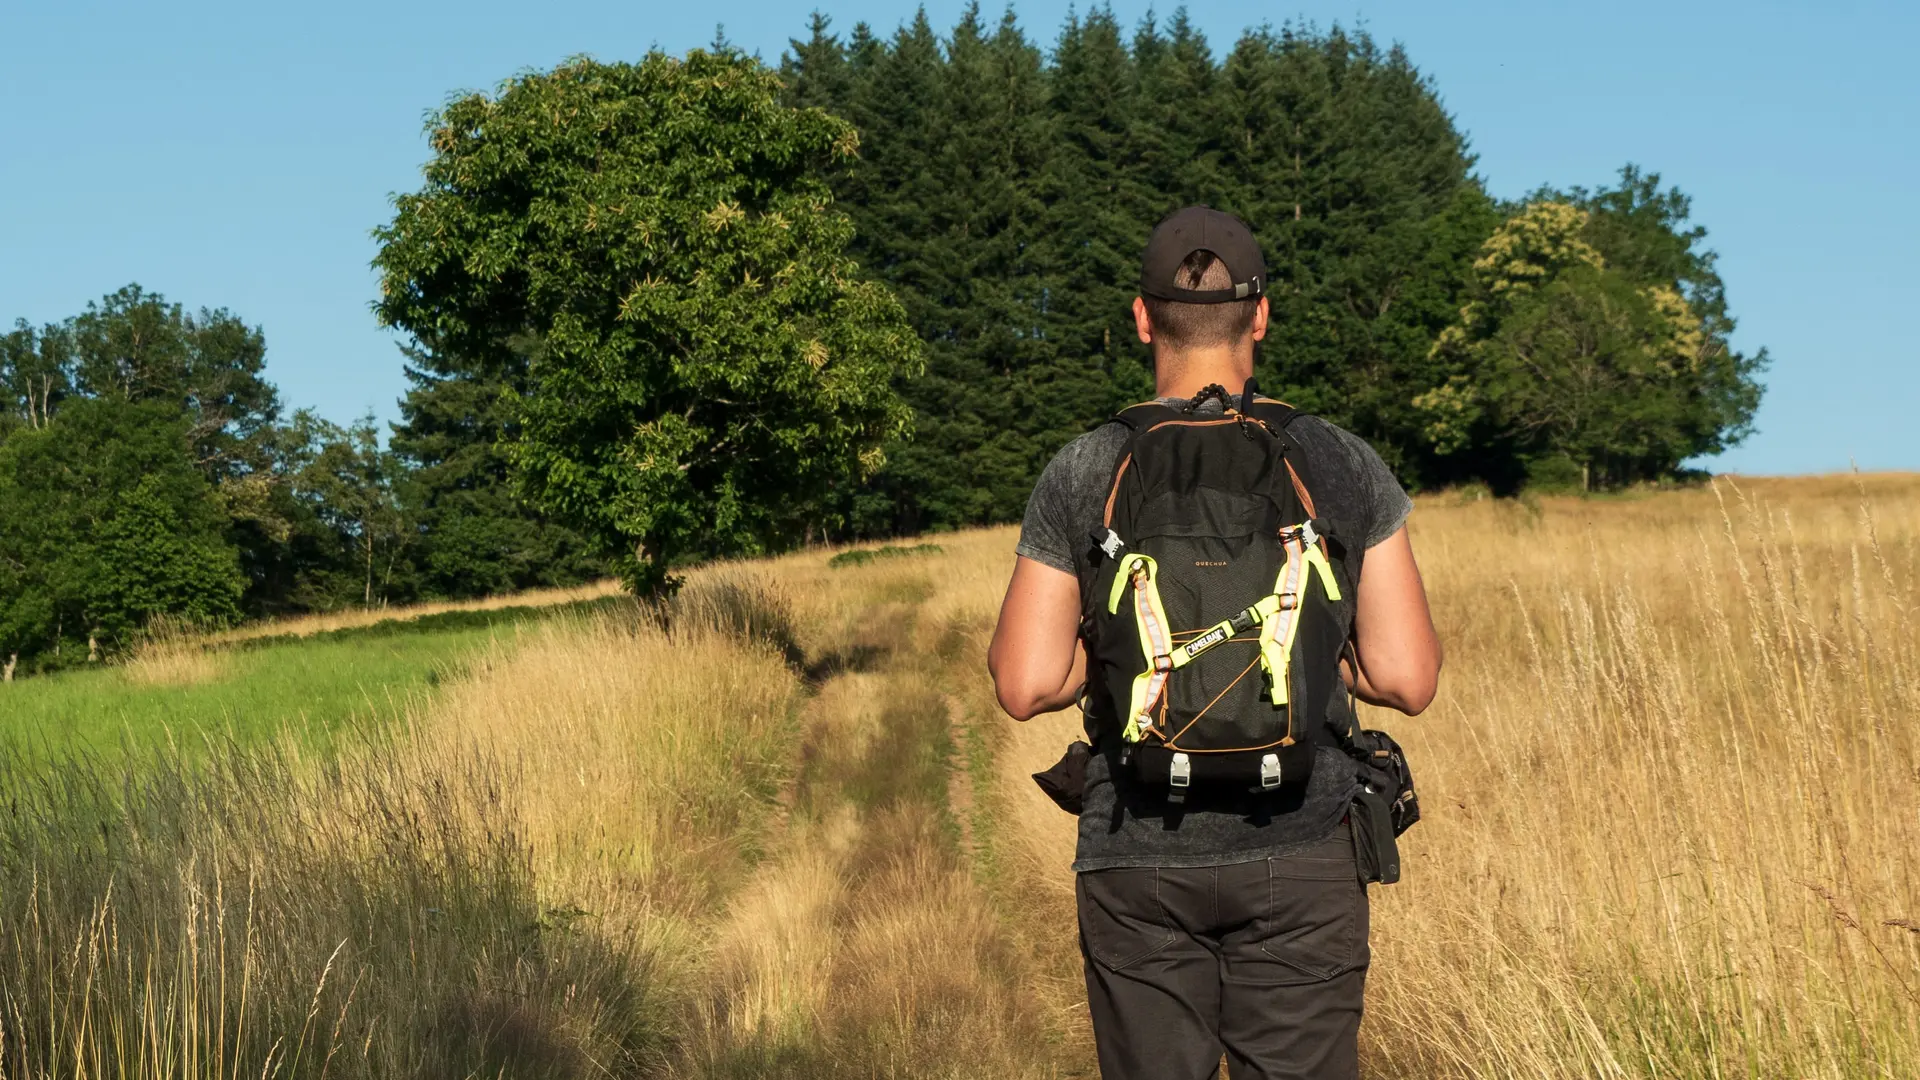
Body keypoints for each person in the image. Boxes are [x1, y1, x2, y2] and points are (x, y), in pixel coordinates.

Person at [987, 206, 1442, 1079]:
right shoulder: (1339, 460)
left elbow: (1022, 682)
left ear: (1142, 317)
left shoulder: (1088, 466)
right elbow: (1408, 677)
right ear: (1261, 317)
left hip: (1138, 855)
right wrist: (1318, 646)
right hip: (1305, 849)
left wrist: (1116, 660)